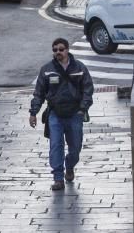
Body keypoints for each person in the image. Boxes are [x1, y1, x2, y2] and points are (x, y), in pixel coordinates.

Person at [29, 38, 94, 191]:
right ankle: (58, 178)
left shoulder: (79, 67)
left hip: (74, 114)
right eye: (55, 50)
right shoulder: (46, 69)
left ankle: (70, 165)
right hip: (55, 115)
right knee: (55, 146)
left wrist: (82, 108)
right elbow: (39, 93)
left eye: (61, 49)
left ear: (67, 50)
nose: (57, 52)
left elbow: (88, 89)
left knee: (75, 148)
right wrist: (33, 113)